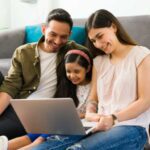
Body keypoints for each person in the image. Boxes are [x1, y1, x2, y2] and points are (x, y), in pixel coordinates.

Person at [32, 9, 150, 150]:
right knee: (45, 147)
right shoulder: (99, 62)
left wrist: (113, 118)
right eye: (93, 40)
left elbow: (145, 101)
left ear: (113, 27)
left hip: (131, 127)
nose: (98, 44)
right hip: (97, 124)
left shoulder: (141, 55)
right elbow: (93, 99)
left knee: (77, 149)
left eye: (100, 36)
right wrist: (91, 113)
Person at [0, 8, 88, 145]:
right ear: (43, 29)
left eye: (63, 36)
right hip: (21, 107)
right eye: (53, 34)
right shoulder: (23, 52)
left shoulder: (74, 52)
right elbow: (10, 87)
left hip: (46, 115)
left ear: (70, 35)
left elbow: (96, 61)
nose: (58, 41)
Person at [0, 49, 93, 149]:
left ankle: (34, 144)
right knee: (35, 134)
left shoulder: (93, 87)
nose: (72, 76)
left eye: (77, 71)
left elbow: (95, 110)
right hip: (64, 122)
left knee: (41, 138)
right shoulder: (68, 86)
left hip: (83, 123)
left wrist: (78, 115)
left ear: (87, 69)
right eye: (68, 72)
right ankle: (4, 146)